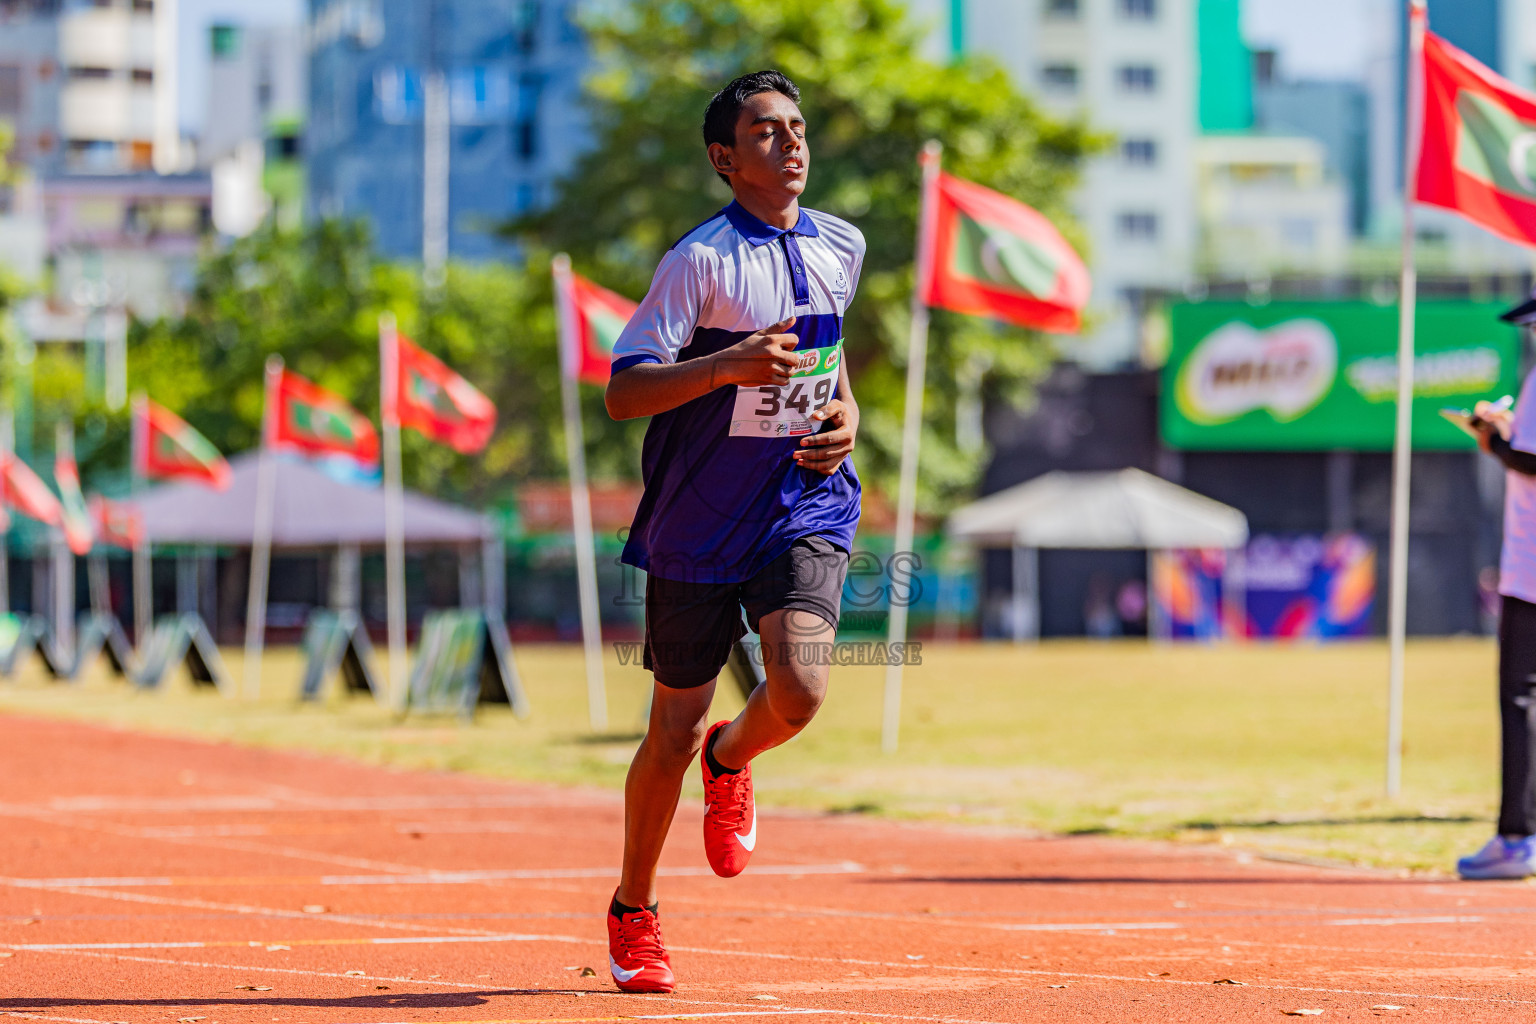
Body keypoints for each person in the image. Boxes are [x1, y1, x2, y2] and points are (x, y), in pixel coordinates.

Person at [601, 70, 865, 990]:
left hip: (803, 499)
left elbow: (831, 369)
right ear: (725, 158)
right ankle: (635, 908)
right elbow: (623, 389)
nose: (790, 143)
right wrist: (727, 368)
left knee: (798, 687)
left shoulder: (842, 243)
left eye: (797, 127)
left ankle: (733, 755)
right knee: (670, 727)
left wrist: (847, 421)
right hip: (698, 520)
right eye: (765, 132)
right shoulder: (700, 263)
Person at [1460, 301, 1536, 879]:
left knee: (1519, 697)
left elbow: (1531, 460)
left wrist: (1491, 439)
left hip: (1531, 569)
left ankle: (1517, 837)